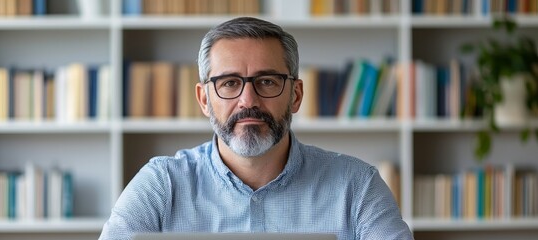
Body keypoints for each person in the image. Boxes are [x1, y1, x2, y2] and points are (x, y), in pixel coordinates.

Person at [99, 17, 413, 240]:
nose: (248, 100)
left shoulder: (357, 187)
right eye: (229, 83)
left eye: (267, 81)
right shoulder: (160, 186)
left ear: (296, 95)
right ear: (204, 99)